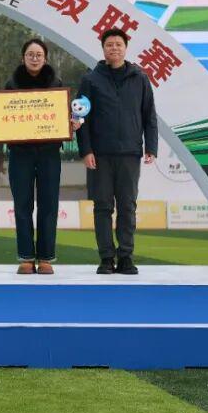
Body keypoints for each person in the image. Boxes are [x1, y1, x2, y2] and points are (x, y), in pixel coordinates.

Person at [0, 39, 75, 275]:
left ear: (45, 58)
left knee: (48, 204)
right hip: (20, 152)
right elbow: (1, 116)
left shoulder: (57, 84)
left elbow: (64, 117)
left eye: (39, 54)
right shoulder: (11, 84)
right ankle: (26, 257)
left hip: (49, 152)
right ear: (23, 57)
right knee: (22, 204)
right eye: (30, 54)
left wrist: (71, 123)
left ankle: (45, 258)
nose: (35, 58)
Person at [76, 29, 157, 275]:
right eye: (109, 44)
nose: (114, 48)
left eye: (118, 44)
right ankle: (106, 258)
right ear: (103, 49)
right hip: (99, 155)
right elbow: (81, 118)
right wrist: (86, 150)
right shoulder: (90, 79)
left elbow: (149, 115)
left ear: (126, 47)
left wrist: (151, 146)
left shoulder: (140, 78)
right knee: (102, 207)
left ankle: (125, 257)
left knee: (127, 207)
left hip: (130, 153)